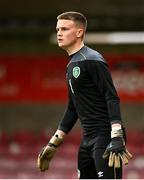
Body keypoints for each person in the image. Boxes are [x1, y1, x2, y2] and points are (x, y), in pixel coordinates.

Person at [37, 11, 132, 179]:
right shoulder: (71, 64)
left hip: (105, 139)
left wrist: (116, 135)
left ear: (79, 32)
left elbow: (111, 96)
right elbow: (73, 107)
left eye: (65, 29)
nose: (59, 33)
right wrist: (54, 142)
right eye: (58, 29)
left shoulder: (93, 59)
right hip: (87, 140)